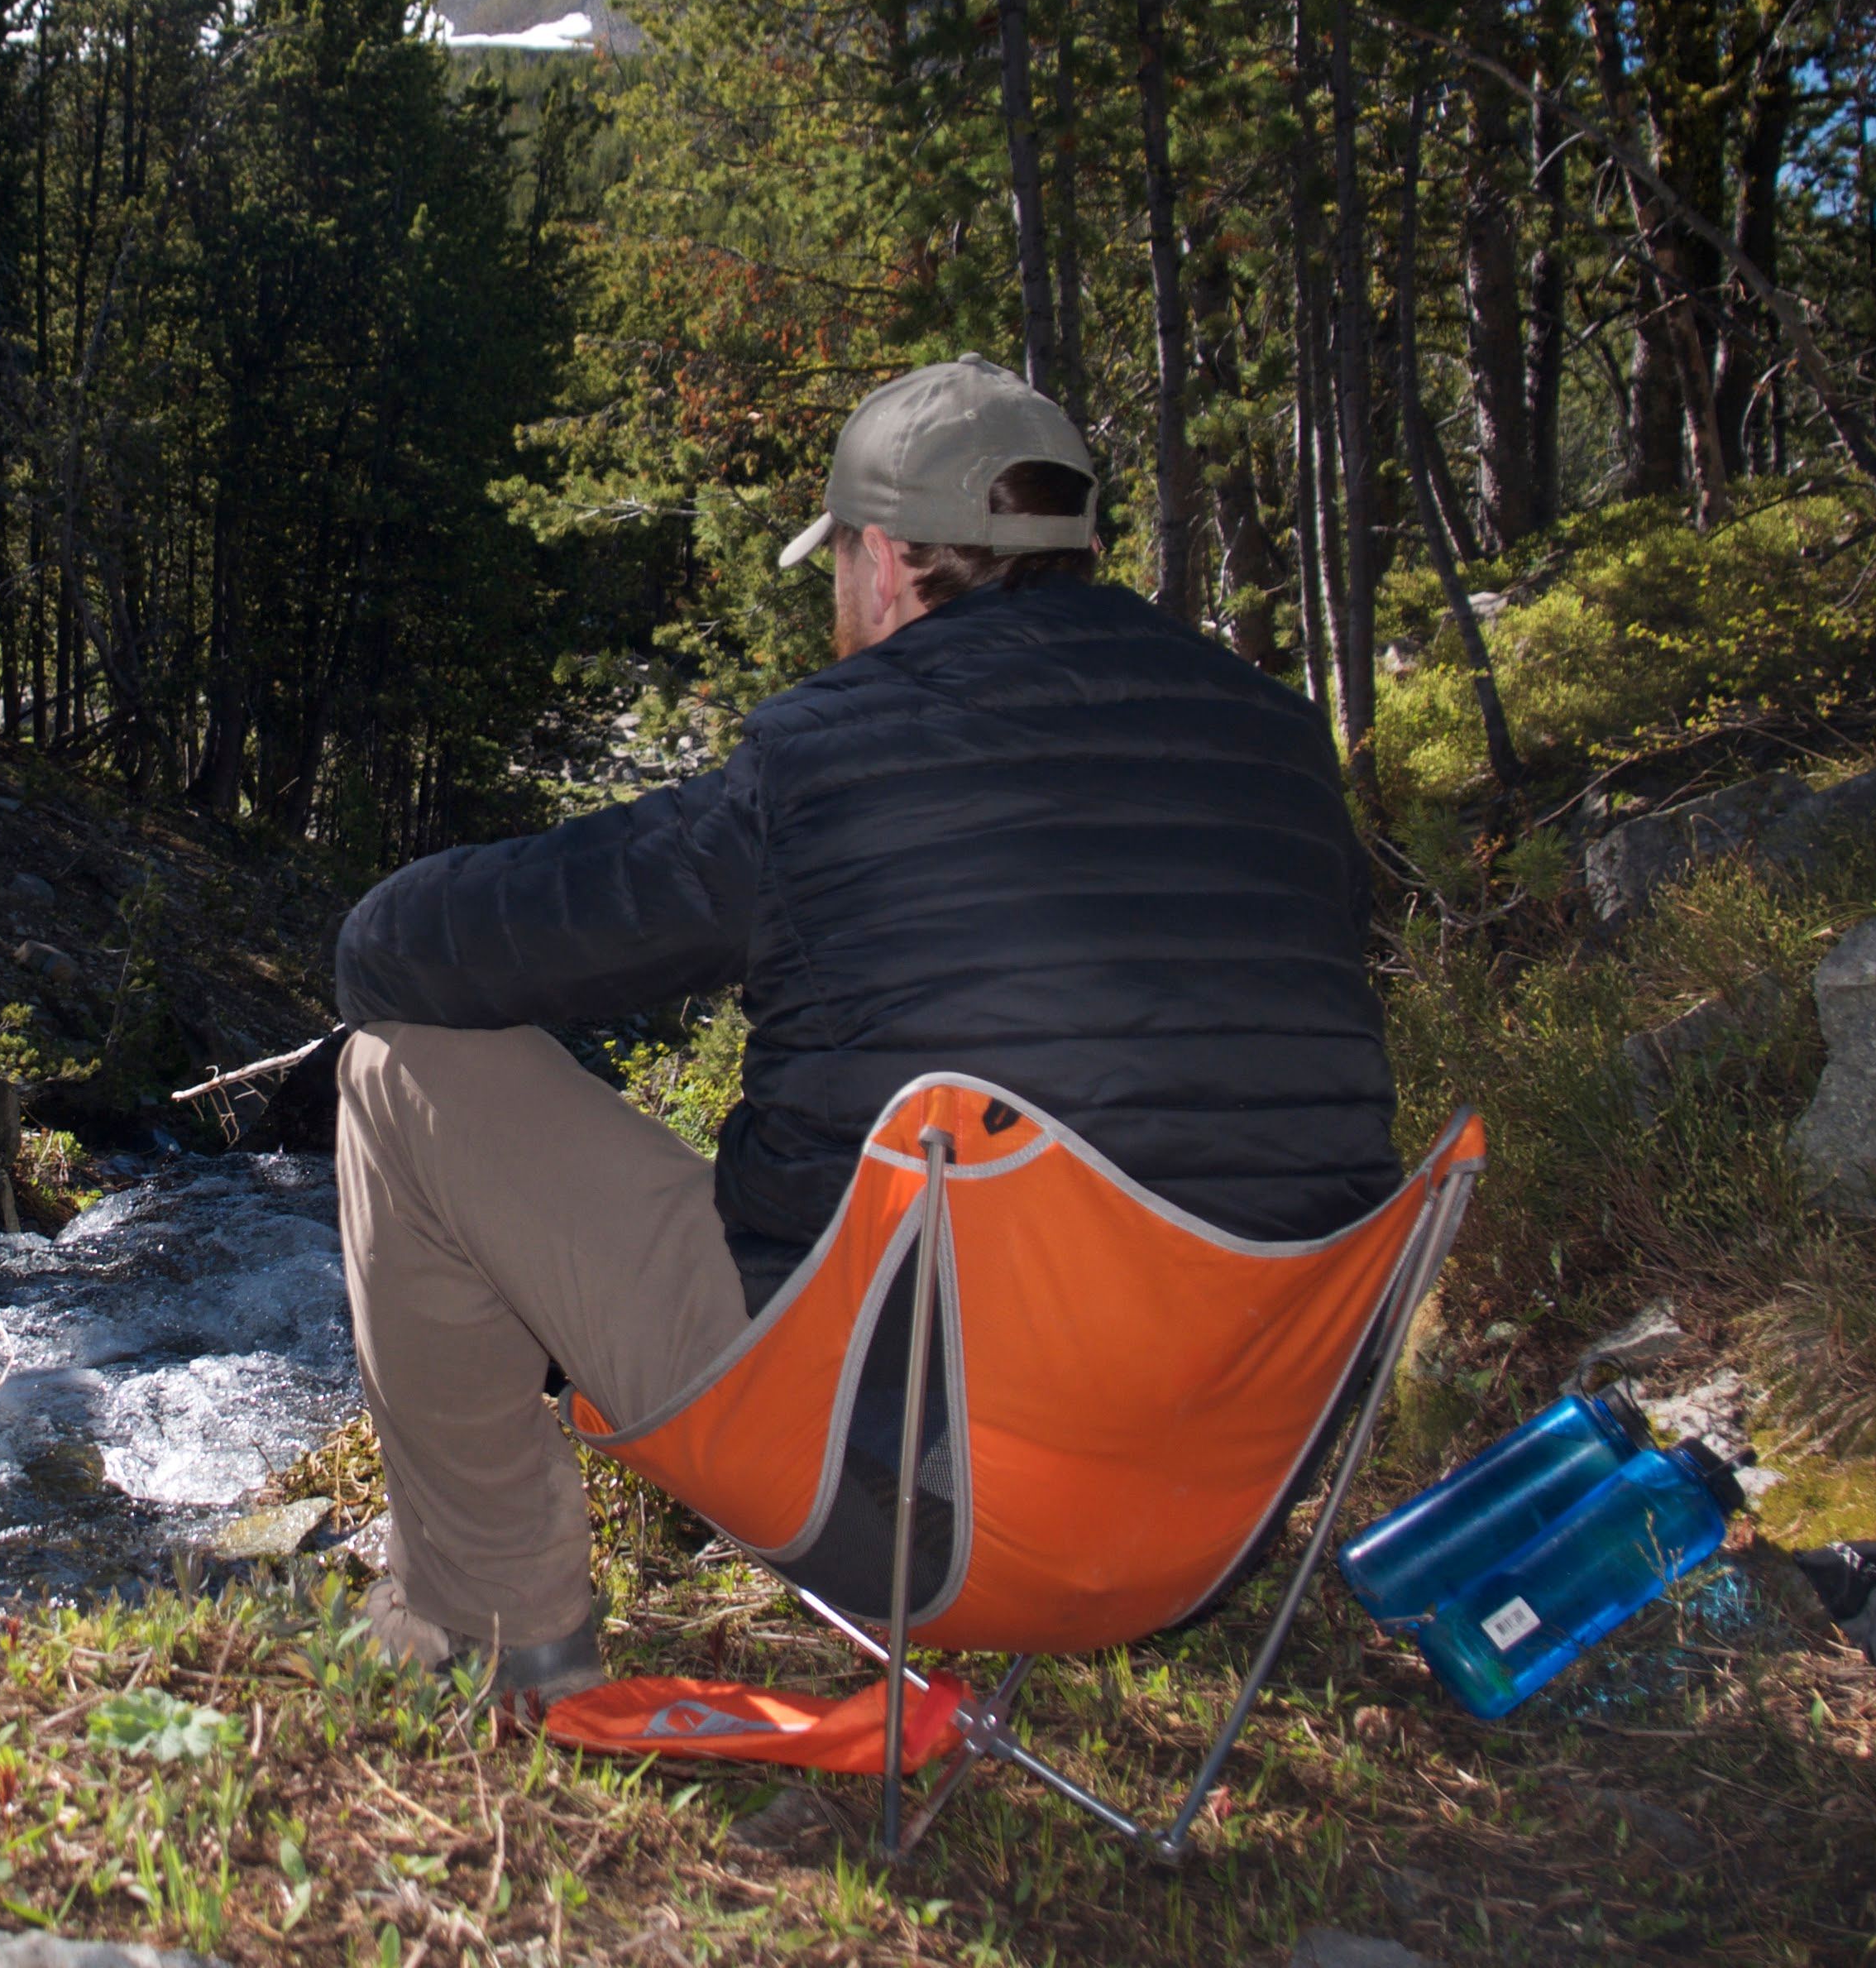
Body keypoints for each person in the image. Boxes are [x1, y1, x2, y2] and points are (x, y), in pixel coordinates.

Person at [324, 356, 1395, 1706]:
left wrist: (360, 927)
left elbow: (439, 951)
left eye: (835, 566)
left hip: (906, 1507)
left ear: (883, 562)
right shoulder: (1285, 744)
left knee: (399, 1068)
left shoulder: (825, 756)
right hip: (1219, 1509)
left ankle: (491, 1631)